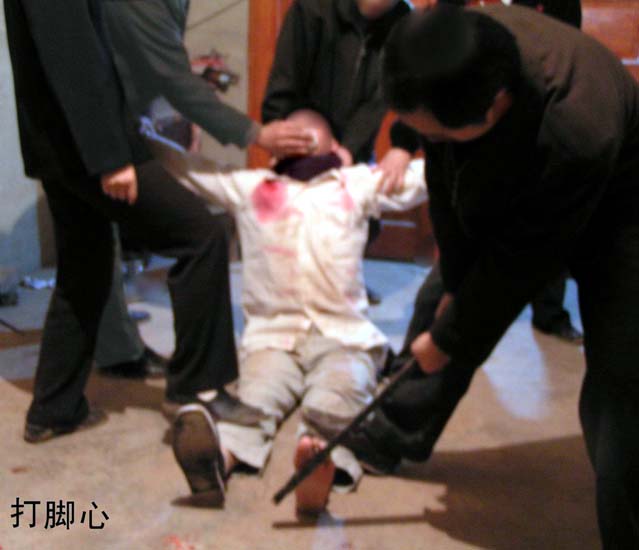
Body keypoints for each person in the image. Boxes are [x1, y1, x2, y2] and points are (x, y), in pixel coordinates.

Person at [344, 5, 639, 547]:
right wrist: (456, 284)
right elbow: (446, 187)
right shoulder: (452, 57)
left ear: (493, 107)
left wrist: (453, 337)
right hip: (520, 160)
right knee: (441, 300)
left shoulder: (578, 126)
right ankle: (392, 432)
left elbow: (518, 265)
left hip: (623, 205)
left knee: (621, 392)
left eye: (439, 133)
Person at [4, 0, 312, 444]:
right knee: (201, 236)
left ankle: (54, 408)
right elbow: (72, 55)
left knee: (85, 265)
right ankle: (198, 389)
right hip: (87, 149)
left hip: (64, 147)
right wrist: (111, 158)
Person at [150, 110, 426, 514]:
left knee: (337, 399)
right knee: (255, 399)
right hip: (273, 338)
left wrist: (403, 151)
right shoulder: (251, 186)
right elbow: (188, 168)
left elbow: (425, 178)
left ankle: (318, 465)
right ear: (274, 148)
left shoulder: (356, 183)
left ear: (337, 148)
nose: (302, 139)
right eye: (292, 135)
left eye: (311, 135)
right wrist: (139, 134)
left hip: (343, 336)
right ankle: (218, 460)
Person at [262, 0, 423, 304]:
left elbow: (389, 96)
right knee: (303, 212)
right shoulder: (311, 9)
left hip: (355, 136)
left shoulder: (404, 22)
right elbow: (284, 82)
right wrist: (281, 139)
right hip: (305, 129)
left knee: (361, 220)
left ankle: (341, 279)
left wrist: (367, 148)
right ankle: (297, 282)